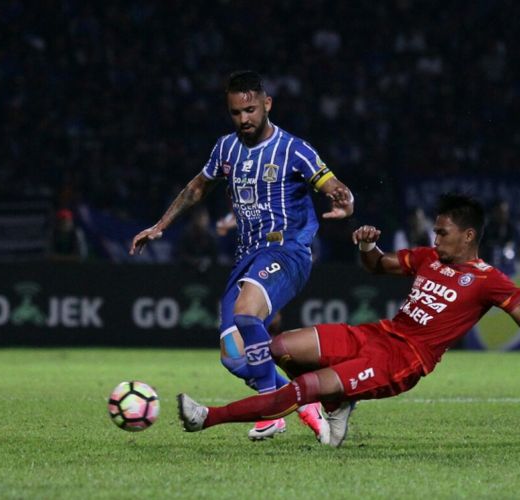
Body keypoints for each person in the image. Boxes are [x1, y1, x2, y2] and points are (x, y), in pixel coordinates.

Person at [177, 193, 520, 447]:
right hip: (379, 333)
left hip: (403, 359)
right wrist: (368, 248)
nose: (434, 237)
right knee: (280, 348)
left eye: (442, 232)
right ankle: (338, 403)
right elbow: (380, 266)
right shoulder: (429, 258)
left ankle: (208, 417)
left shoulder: (489, 280)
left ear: (467, 236)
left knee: (303, 387)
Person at [130, 70, 355, 442]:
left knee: (247, 312)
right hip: (246, 258)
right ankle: (308, 401)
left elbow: (333, 186)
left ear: (267, 104)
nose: (244, 119)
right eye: (236, 112)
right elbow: (197, 187)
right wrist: (161, 225)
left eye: (250, 109)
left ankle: (270, 407)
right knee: (235, 356)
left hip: (288, 251)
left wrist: (345, 200)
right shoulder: (225, 148)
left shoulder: (294, 149)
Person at [479, 199, 520, 276]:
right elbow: (479, 252)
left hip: (509, 270)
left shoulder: (513, 230)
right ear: (494, 212)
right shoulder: (486, 230)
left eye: (505, 212)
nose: (503, 215)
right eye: (500, 212)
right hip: (489, 269)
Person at [175, 207, 219, 272]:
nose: (203, 221)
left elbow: (215, 257)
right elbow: (180, 254)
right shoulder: (186, 235)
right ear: (194, 219)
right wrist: (193, 261)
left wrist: (206, 261)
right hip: (186, 271)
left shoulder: (211, 237)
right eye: (200, 217)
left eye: (205, 218)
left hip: (208, 272)